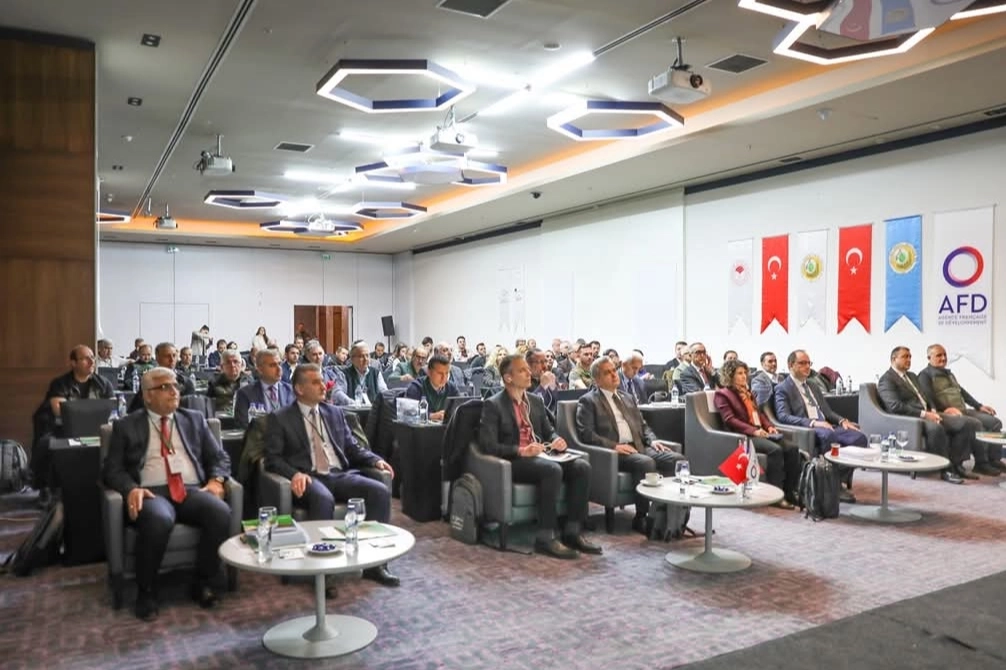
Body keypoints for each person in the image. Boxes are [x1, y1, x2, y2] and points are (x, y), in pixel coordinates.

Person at [102, 366, 232, 621]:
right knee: (159, 519)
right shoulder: (126, 426)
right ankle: (146, 590)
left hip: (191, 488)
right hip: (152, 492)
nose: (175, 391)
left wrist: (217, 480)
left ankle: (203, 581)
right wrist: (131, 489)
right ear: (148, 395)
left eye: (176, 386)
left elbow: (219, 457)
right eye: (165, 387)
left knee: (219, 512)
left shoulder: (194, 419)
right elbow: (112, 470)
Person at [264, 364, 398, 586]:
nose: (323, 386)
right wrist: (294, 474)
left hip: (339, 474)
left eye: (322, 381)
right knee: (323, 498)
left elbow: (352, 447)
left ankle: (376, 565)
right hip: (309, 477)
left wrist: (375, 460)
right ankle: (323, 572)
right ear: (299, 388)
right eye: (315, 382)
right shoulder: (280, 418)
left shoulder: (334, 412)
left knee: (379, 491)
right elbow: (272, 459)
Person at [479, 354, 601, 559]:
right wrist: (521, 450)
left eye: (528, 369)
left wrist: (556, 439)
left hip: (542, 454)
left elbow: (548, 431)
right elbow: (488, 445)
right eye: (522, 370)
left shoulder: (535, 401)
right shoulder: (494, 404)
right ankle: (546, 536)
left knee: (582, 467)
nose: (529, 373)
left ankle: (572, 531)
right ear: (508, 378)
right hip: (514, 461)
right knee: (551, 470)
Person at [576, 357, 684, 533]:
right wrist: (614, 446)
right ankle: (641, 516)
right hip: (615, 452)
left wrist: (653, 440)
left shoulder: (627, 397)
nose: (614, 375)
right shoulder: (588, 401)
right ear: (597, 380)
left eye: (614, 370)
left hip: (639, 445)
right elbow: (586, 433)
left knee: (677, 459)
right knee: (645, 463)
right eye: (607, 373)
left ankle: (666, 514)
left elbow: (643, 425)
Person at [774, 349, 863, 502]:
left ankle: (837, 477)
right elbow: (783, 416)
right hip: (808, 428)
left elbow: (827, 411)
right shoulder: (783, 388)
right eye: (802, 363)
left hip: (827, 425)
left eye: (809, 363)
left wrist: (842, 421)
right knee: (829, 435)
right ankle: (833, 486)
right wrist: (813, 422)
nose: (807, 367)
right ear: (790, 365)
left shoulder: (813, 385)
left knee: (859, 438)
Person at [877, 346, 972, 484]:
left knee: (964, 423)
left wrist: (933, 409)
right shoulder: (886, 380)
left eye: (910, 357)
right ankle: (946, 470)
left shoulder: (912, 376)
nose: (909, 360)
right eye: (905, 357)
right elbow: (895, 406)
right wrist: (924, 414)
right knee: (936, 429)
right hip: (910, 418)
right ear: (894, 359)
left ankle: (957, 465)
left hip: (927, 413)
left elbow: (925, 396)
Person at [714, 360, 801, 509]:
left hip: (760, 431)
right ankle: (776, 495)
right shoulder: (723, 395)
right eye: (739, 373)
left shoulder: (747, 392)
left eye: (745, 373)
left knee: (792, 449)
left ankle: (789, 491)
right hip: (743, 436)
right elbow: (730, 420)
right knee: (775, 450)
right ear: (730, 376)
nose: (744, 376)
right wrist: (753, 430)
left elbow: (759, 414)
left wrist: (769, 427)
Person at [32, 345, 116, 495]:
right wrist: (90, 413)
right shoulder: (60, 383)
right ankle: (48, 488)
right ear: (73, 363)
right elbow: (59, 410)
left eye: (93, 358)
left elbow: (113, 410)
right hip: (63, 429)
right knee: (46, 444)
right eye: (85, 359)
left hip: (96, 431)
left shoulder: (103, 384)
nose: (91, 362)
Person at [918, 344, 1003, 474]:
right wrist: (945, 409)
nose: (943, 358)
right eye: (939, 355)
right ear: (929, 358)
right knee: (976, 424)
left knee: (994, 422)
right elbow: (929, 397)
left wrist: (979, 406)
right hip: (945, 412)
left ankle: (994, 460)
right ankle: (982, 463)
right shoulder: (924, 375)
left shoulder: (949, 374)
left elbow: (962, 392)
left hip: (962, 410)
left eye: (945, 355)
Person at [233, 349, 295, 429]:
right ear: (260, 369)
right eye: (272, 365)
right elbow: (242, 424)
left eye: (279, 364)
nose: (279, 369)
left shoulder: (291, 391)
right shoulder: (245, 393)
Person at [128, 343, 198, 413]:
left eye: (174, 355)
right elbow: (135, 411)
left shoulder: (186, 383)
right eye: (167, 356)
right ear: (157, 358)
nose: (172, 359)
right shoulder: (149, 383)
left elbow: (192, 412)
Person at [405, 355, 461, 422]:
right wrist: (430, 416)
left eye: (446, 373)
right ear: (429, 372)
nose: (444, 377)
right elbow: (408, 413)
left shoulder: (452, 387)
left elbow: (460, 409)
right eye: (440, 373)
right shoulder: (416, 387)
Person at [207, 350, 251, 415]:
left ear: (241, 365)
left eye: (235, 362)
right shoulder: (214, 383)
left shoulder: (249, 382)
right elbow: (208, 407)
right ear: (222, 367)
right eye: (228, 362)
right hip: (221, 417)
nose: (232, 365)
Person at [527, 348, 558, 414]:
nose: (544, 366)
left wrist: (553, 388)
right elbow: (529, 405)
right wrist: (542, 387)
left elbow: (557, 404)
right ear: (529, 365)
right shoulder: (524, 382)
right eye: (540, 362)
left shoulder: (548, 377)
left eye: (545, 361)